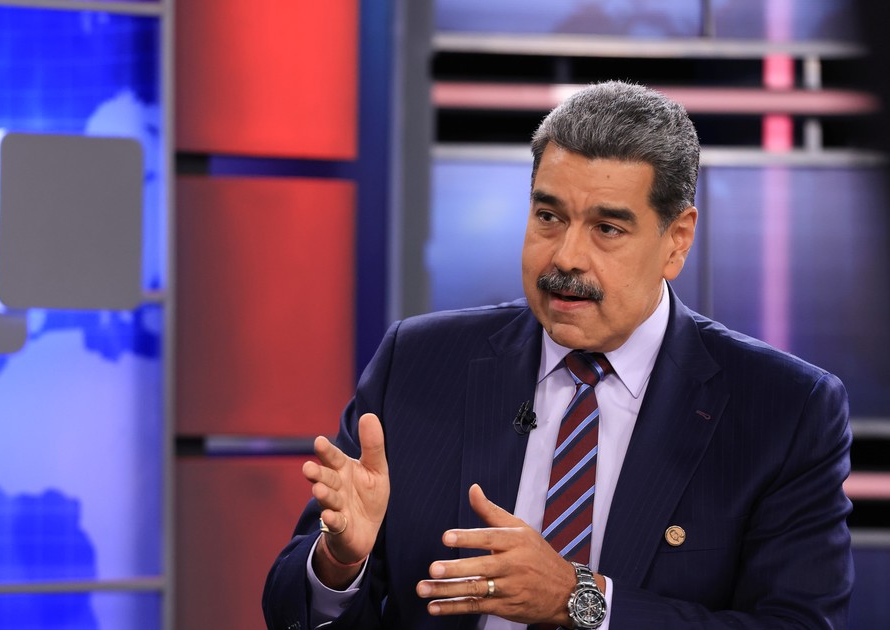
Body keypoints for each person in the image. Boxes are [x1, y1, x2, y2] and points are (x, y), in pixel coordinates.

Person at [262, 81, 853, 629]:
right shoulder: (417, 364)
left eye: (607, 229)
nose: (566, 256)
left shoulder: (784, 411)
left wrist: (580, 599)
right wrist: (339, 563)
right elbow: (290, 608)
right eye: (549, 217)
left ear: (676, 241)